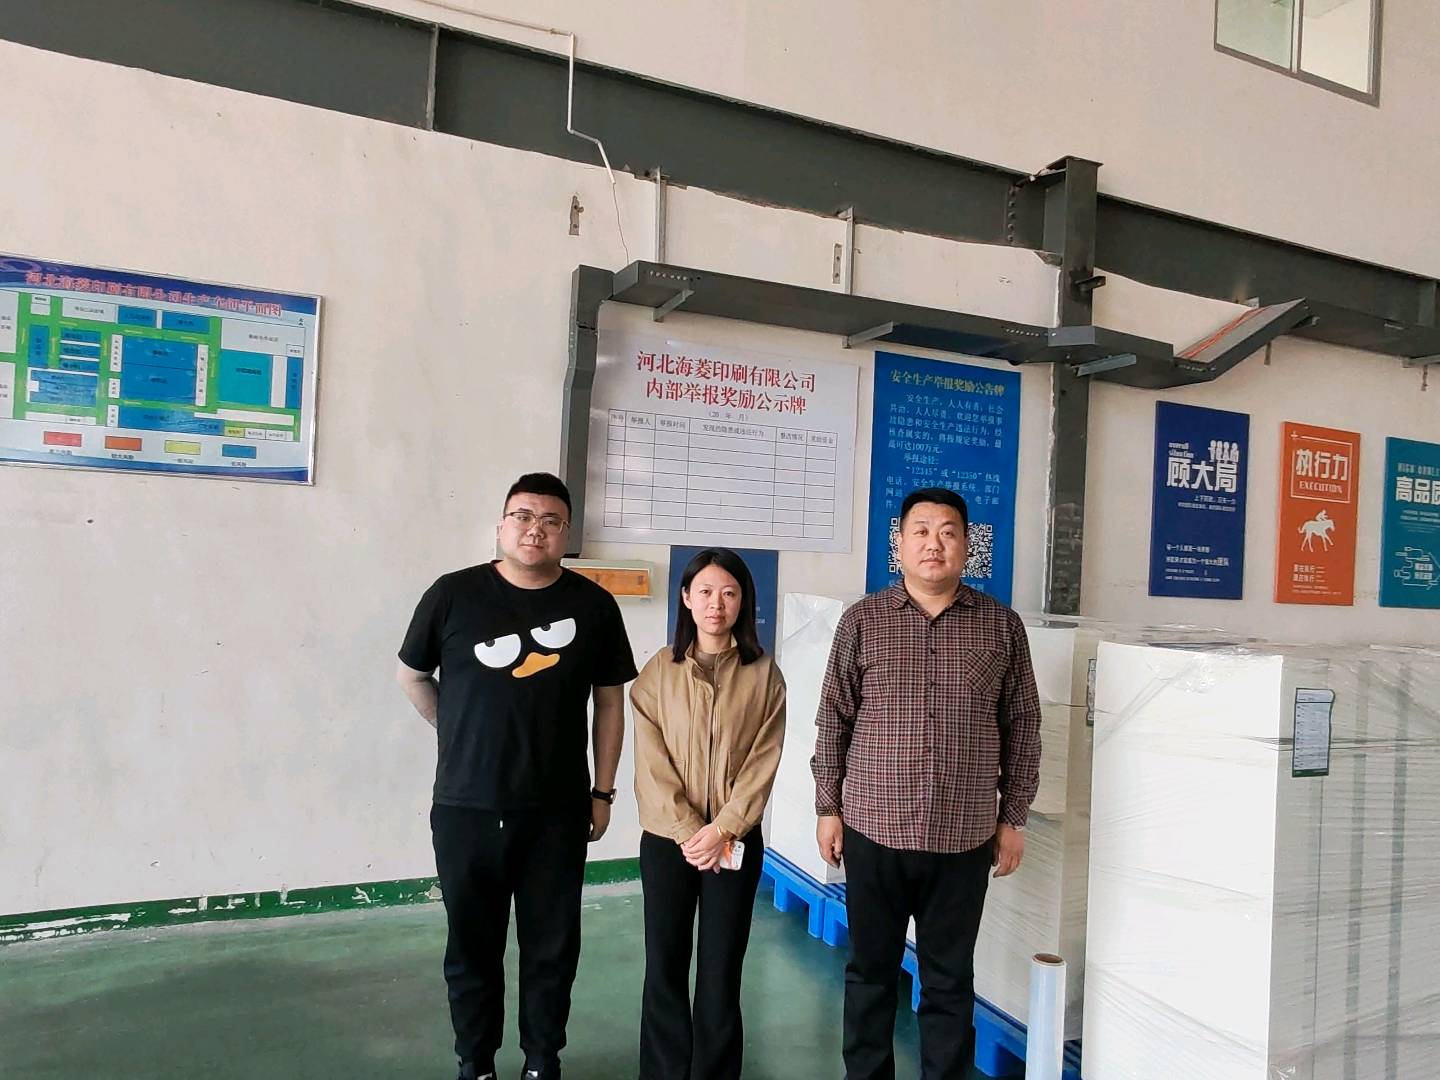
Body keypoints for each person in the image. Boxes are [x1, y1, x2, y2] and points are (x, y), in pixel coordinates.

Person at [396, 472, 638, 1080]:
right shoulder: (452, 594)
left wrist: (603, 792)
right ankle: (475, 1063)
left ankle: (541, 1061)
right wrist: (454, 730)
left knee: (552, 948)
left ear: (566, 534)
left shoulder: (593, 606)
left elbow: (610, 702)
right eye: (523, 516)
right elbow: (412, 676)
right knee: (471, 947)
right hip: (466, 807)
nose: (536, 529)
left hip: (557, 810)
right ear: (502, 525)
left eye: (551, 520)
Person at [811, 487, 1042, 1080]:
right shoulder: (863, 620)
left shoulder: (1001, 627)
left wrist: (1013, 817)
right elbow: (834, 716)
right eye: (920, 531)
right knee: (870, 974)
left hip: (963, 837)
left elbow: (1022, 723)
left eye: (947, 531)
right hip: (873, 829)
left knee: (949, 980)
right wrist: (828, 806)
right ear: (899, 543)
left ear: (967, 545)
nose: (933, 543)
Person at [630, 548, 787, 1080]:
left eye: (729, 593)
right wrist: (688, 831)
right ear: (686, 599)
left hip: (733, 842)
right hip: (667, 841)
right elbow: (651, 760)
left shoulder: (764, 675)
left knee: (721, 971)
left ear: (743, 601)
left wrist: (724, 828)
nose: (716, 604)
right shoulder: (659, 671)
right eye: (705, 592)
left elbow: (764, 760)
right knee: (665, 967)